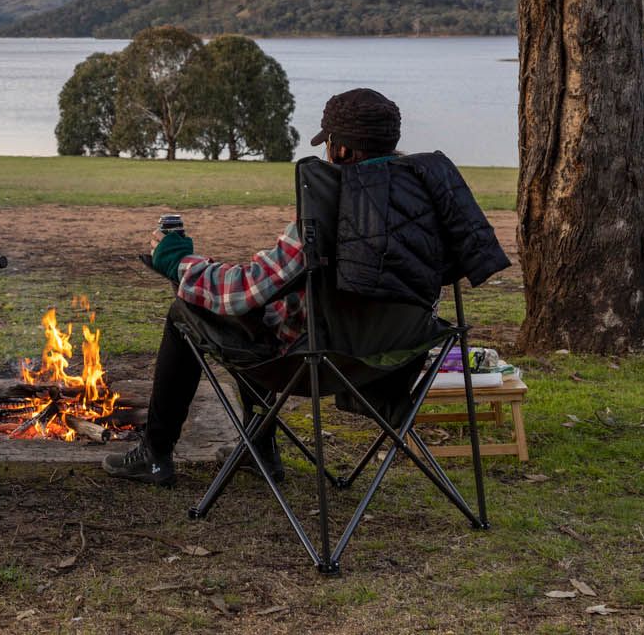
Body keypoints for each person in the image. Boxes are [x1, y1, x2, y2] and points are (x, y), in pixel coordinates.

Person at [103, 87, 505, 487]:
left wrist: (179, 263)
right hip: (395, 357)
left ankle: (155, 454)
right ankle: (258, 450)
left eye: (328, 142)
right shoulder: (430, 201)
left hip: (319, 362)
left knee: (197, 313)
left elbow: (246, 290)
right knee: (262, 315)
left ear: (341, 151)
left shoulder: (331, 210)